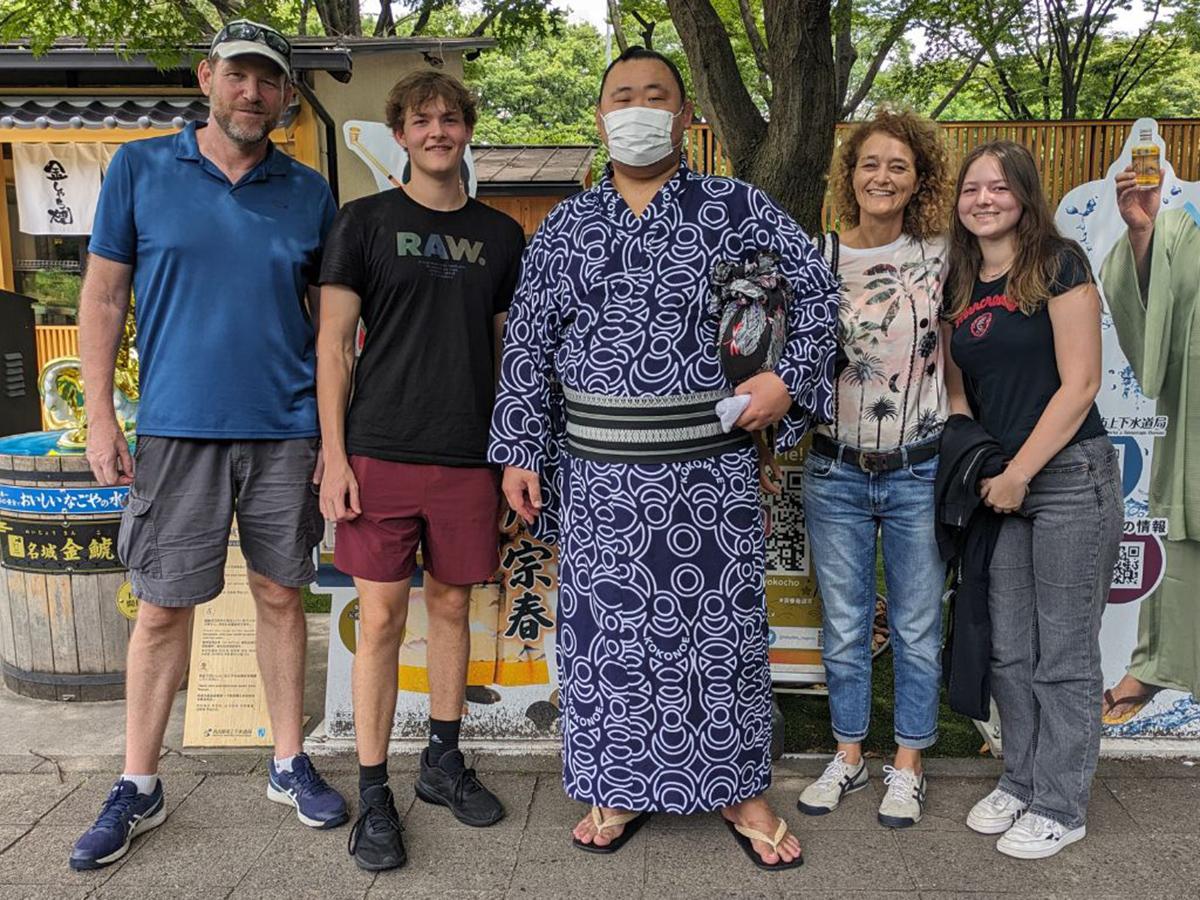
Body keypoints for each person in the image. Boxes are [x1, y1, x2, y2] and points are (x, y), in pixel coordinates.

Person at [489, 46, 837, 871]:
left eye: (656, 96)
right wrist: (518, 451)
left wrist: (786, 380)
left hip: (708, 471)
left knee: (716, 632)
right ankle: (617, 782)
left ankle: (739, 788)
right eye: (623, 95)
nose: (638, 108)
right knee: (609, 637)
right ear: (602, 113)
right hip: (600, 474)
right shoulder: (568, 227)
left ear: (686, 117)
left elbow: (816, 293)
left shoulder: (735, 209)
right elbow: (530, 347)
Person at [71, 20, 347, 870]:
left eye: (269, 81)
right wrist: (103, 415)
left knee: (279, 596)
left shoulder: (308, 192)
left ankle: (288, 761)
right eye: (239, 76)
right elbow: (104, 300)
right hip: (175, 427)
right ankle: (138, 783)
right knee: (161, 607)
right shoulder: (140, 169)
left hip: (284, 428)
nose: (252, 93)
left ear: (286, 97)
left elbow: (331, 324)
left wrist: (336, 439)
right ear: (207, 77)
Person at [317, 70, 526, 872]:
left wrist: (514, 453)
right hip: (378, 450)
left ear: (468, 130)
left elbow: (512, 355)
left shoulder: (503, 236)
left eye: (451, 118)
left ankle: (441, 762)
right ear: (398, 133)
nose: (438, 130)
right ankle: (374, 793)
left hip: (470, 456)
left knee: (450, 610)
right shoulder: (363, 222)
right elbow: (335, 347)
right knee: (378, 623)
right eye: (421, 119)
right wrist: (333, 457)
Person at [943, 140, 1122, 859]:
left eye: (999, 188)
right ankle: (1019, 779)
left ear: (1024, 196)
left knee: (1064, 656)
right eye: (971, 189)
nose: (983, 199)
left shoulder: (1058, 263)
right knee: (1011, 650)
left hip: (1069, 476)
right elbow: (960, 381)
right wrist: (978, 451)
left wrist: (1020, 470)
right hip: (1002, 484)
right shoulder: (961, 279)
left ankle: (1061, 802)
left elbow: (1080, 385)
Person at [796, 109, 951, 828]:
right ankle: (850, 755)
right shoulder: (817, 257)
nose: (882, 177)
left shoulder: (944, 256)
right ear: (849, 175)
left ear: (917, 179)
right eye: (869, 164)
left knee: (918, 624)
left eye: (898, 165)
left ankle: (909, 764)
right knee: (848, 621)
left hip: (920, 467)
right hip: (835, 469)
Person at [1098, 172, 1200, 723]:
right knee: (1181, 534)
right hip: (1195, 419)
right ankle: (1158, 664)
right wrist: (1143, 233)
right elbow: (1154, 326)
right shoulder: (1186, 230)